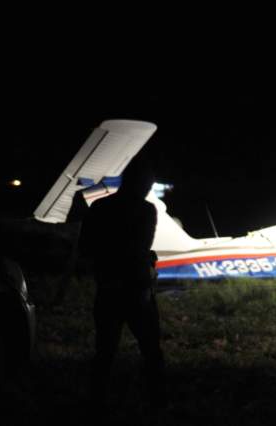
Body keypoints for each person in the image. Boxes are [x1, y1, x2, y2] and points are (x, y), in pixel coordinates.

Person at [78, 160, 166, 412]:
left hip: (107, 288)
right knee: (151, 349)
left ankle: (96, 403)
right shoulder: (146, 210)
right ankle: (156, 400)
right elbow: (141, 247)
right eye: (147, 184)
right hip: (137, 290)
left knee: (105, 351)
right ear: (142, 184)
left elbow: (86, 247)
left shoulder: (99, 207)